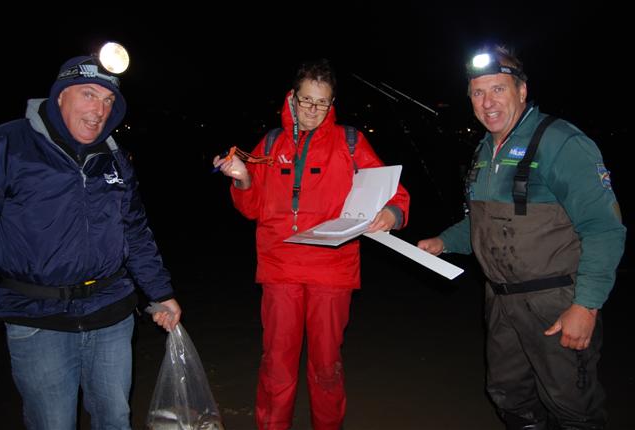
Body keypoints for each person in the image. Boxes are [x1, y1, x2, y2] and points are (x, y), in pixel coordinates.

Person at [417, 45, 625, 430]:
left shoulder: (560, 141)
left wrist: (586, 306)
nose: (488, 102)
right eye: (478, 93)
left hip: (556, 303)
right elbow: (481, 224)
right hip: (500, 301)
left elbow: (604, 228)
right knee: (509, 395)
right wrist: (443, 242)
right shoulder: (484, 151)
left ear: (522, 90)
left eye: (498, 89)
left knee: (572, 407)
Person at [214, 58, 410, 430]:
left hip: (333, 271)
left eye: (322, 102)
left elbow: (394, 192)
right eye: (306, 100)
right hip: (280, 269)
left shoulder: (350, 142)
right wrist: (242, 179)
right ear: (292, 98)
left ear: (332, 103)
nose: (313, 110)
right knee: (277, 363)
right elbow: (251, 207)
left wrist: (391, 213)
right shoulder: (271, 142)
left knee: (326, 366)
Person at [0, 48, 182, 430]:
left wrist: (160, 292)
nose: (99, 110)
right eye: (89, 94)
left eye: (109, 100)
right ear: (60, 95)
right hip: (38, 318)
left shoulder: (114, 158)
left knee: (115, 418)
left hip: (111, 312)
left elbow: (134, 230)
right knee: (53, 423)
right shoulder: (9, 144)